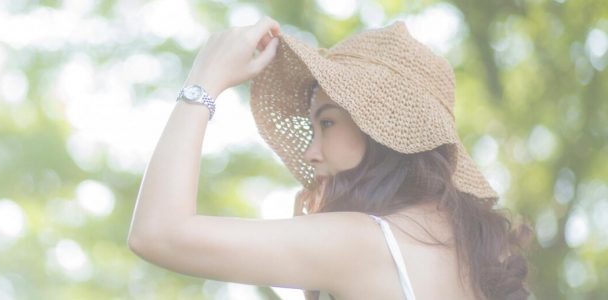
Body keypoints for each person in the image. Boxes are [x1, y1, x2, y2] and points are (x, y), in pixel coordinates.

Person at [128, 16, 533, 300]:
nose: (310, 151)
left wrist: (204, 79)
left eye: (326, 123)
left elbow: (157, 233)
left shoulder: (364, 242)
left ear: (382, 125)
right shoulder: (484, 257)